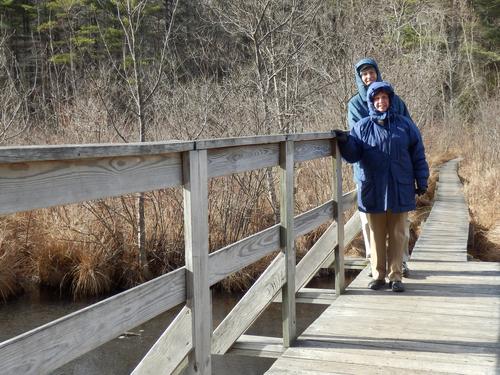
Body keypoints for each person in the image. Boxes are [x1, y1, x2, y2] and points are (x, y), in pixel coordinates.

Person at [334, 81, 429, 292]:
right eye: (376, 99)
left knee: (398, 233)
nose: (381, 102)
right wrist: (344, 141)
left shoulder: (405, 125)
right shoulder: (362, 127)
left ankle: (396, 276)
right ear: (371, 102)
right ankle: (378, 275)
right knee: (376, 234)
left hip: (399, 186)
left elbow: (418, 154)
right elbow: (353, 155)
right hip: (374, 189)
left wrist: (421, 180)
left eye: (384, 98)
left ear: (390, 100)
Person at [347, 58, 412, 277]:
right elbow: (358, 135)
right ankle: (374, 265)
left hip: (395, 168)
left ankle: (400, 262)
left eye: (371, 72)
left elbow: (408, 130)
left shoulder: (395, 100)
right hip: (369, 170)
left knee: (399, 220)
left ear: (377, 73)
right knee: (370, 221)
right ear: (359, 77)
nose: (368, 76)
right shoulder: (355, 104)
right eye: (364, 74)